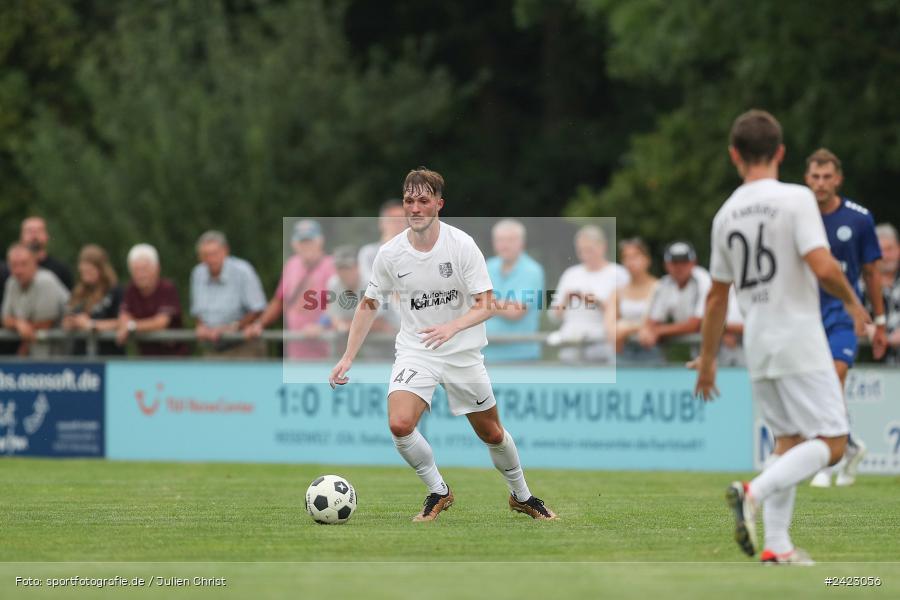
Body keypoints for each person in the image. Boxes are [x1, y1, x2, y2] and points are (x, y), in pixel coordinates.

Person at [329, 167, 556, 522]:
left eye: (423, 200)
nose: (415, 208)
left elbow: (487, 303)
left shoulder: (461, 245)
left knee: (492, 433)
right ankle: (439, 490)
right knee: (400, 424)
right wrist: (347, 357)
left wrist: (453, 326)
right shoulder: (390, 254)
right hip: (417, 349)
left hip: (462, 351)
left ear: (439, 204)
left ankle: (522, 496)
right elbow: (369, 304)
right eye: (409, 201)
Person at [693, 109, 869, 565]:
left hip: (759, 344)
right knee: (833, 443)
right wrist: (853, 302)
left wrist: (708, 360)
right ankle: (753, 491)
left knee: (788, 442)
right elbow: (822, 263)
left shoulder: (725, 213)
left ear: (734, 155)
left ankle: (777, 546)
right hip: (799, 336)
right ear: (782, 153)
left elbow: (715, 300)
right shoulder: (795, 199)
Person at [804, 148, 886, 488]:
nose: (821, 184)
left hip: (842, 313)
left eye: (827, 177)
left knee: (833, 377)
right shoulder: (797, 214)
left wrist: (878, 323)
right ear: (806, 179)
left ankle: (827, 458)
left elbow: (871, 272)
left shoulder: (859, 218)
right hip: (804, 313)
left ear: (838, 179)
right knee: (812, 386)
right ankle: (848, 445)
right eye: (815, 177)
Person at [244, 220, 336, 359]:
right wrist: (259, 324)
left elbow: (339, 303)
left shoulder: (332, 266)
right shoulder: (291, 265)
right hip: (296, 349)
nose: (306, 246)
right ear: (294, 244)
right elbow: (279, 300)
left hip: (328, 350)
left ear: (320, 241)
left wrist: (320, 326)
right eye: (302, 242)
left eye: (310, 241)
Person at [549, 225, 622, 363]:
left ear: (603, 247)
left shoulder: (618, 274)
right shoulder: (570, 274)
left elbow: (622, 314)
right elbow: (554, 316)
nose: (585, 255)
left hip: (602, 351)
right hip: (570, 351)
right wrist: (566, 299)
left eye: (589, 250)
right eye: (581, 251)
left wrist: (593, 301)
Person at [190, 231, 267, 357]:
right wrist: (201, 327)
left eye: (214, 254)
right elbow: (197, 310)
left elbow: (258, 309)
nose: (210, 259)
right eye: (205, 255)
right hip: (212, 349)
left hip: (243, 348)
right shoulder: (197, 273)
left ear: (225, 251)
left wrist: (232, 328)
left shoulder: (243, 271)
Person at [483, 219, 544, 362]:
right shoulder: (487, 266)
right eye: (500, 240)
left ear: (522, 243)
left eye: (510, 240)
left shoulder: (532, 270)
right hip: (486, 355)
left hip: (521, 357)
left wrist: (484, 303)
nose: (504, 245)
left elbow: (516, 311)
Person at [117, 244, 189, 356]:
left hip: (173, 358)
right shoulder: (131, 289)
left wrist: (132, 326)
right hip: (146, 358)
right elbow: (124, 315)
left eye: (145, 269)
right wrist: (128, 324)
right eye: (136, 270)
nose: (141, 274)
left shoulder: (167, 288)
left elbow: (161, 322)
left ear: (157, 268)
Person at [638, 241, 710, 353]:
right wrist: (650, 331)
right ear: (666, 265)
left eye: (684, 262)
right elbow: (652, 321)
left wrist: (658, 331)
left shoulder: (703, 280)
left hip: (726, 343)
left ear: (693, 263)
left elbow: (695, 324)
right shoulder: (664, 284)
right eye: (675, 262)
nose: (679, 267)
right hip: (701, 345)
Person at [1, 243, 69, 356]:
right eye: (14, 265)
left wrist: (19, 325)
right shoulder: (11, 283)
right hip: (35, 353)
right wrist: (18, 324)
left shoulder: (46, 281)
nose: (18, 270)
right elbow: (5, 319)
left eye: (24, 264)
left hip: (60, 354)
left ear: (34, 263)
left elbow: (45, 323)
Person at [63, 245, 124, 356]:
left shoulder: (115, 291)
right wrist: (70, 323)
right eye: (83, 271)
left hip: (108, 356)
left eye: (90, 271)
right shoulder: (78, 293)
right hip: (80, 356)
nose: (86, 275)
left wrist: (92, 325)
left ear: (101, 269)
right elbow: (67, 318)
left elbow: (122, 322)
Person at [615, 237, 660, 363]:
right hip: (624, 354)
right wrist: (637, 327)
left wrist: (626, 328)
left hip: (652, 352)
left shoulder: (659, 287)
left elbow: (658, 322)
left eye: (635, 256)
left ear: (647, 259)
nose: (630, 262)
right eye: (626, 257)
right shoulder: (618, 291)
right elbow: (612, 331)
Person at [358, 200, 408, 284]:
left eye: (402, 220)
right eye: (394, 220)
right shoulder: (368, 253)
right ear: (381, 223)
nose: (398, 225)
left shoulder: (416, 252)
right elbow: (368, 282)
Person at [20, 216, 73, 289]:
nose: (34, 235)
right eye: (29, 231)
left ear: (47, 236)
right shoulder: (11, 271)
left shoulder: (61, 270)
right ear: (21, 237)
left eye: (38, 231)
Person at [873, 223, 900, 363]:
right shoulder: (859, 285)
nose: (885, 255)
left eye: (890, 249)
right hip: (866, 369)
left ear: (899, 249)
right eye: (880, 250)